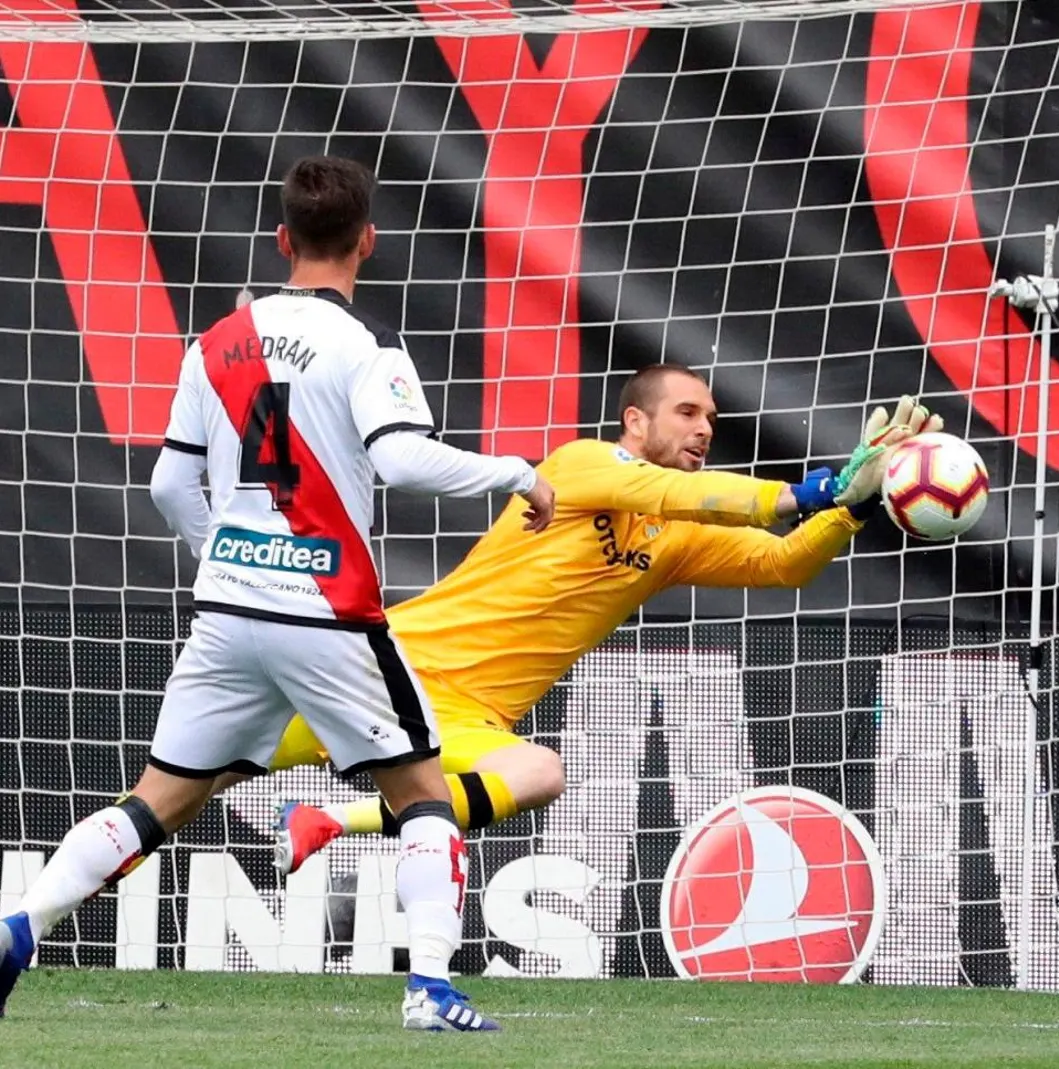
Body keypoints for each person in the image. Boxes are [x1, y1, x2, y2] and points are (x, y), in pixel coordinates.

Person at [0, 156, 556, 1031]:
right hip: (327, 611)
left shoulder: (215, 342)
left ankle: (20, 926)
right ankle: (433, 989)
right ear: (366, 241)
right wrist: (518, 470)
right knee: (422, 797)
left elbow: (168, 490)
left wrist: (227, 558)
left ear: (281, 240)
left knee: (156, 800)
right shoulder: (365, 348)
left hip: (228, 612)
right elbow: (404, 458)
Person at [227, 365, 935, 875]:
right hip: (388, 668)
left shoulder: (675, 536)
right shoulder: (584, 463)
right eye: (688, 411)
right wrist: (817, 488)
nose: (705, 427)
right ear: (635, 420)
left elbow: (782, 565)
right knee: (173, 789)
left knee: (538, 770)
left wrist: (852, 507)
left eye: (713, 418)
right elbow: (676, 490)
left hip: (469, 718)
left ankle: (323, 820)